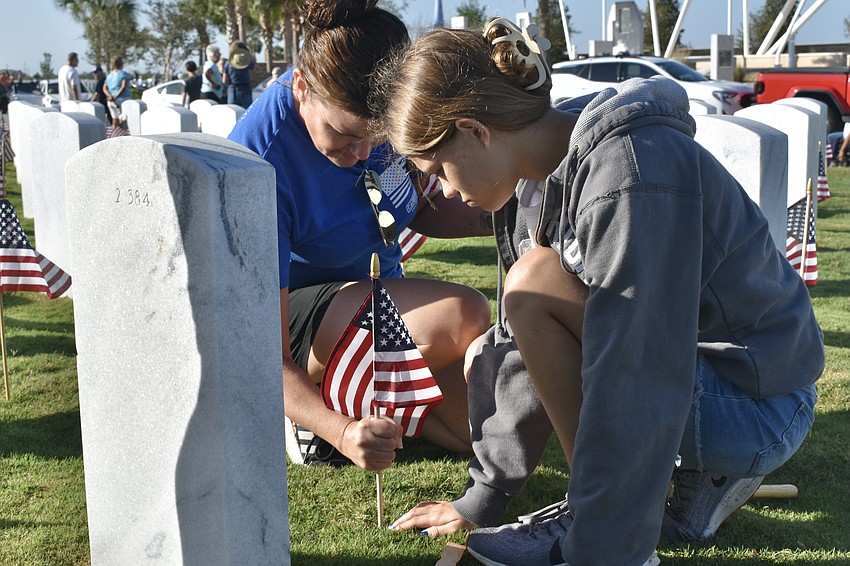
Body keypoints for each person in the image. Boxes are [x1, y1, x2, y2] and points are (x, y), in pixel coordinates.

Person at [371, 18, 824, 565]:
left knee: (532, 285)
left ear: (475, 130)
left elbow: (636, 372)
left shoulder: (632, 172)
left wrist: (604, 545)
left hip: (760, 405)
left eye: (437, 168)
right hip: (703, 377)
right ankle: (687, 484)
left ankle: (613, 507)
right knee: (511, 315)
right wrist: (485, 498)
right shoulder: (530, 187)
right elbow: (523, 345)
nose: (444, 189)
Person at [228, 0, 492, 473]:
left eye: (377, 137)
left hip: (368, 295)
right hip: (292, 317)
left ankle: (356, 394)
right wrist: (340, 431)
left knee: (477, 429)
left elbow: (412, 209)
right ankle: (314, 409)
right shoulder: (259, 161)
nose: (363, 153)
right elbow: (256, 342)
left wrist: (500, 209)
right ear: (302, 88)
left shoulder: (372, 125)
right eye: (345, 135)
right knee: (463, 315)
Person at [103, 56, 132, 130]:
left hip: (111, 100)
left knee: (114, 120)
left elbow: (104, 88)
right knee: (125, 123)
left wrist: (110, 96)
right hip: (123, 99)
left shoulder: (109, 76)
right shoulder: (123, 74)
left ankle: (113, 136)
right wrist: (116, 96)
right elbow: (123, 86)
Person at [224, 41, 255, 108]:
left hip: (232, 90)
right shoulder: (248, 63)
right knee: (247, 113)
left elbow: (224, 80)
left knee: (233, 112)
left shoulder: (227, 64)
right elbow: (254, 69)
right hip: (246, 90)